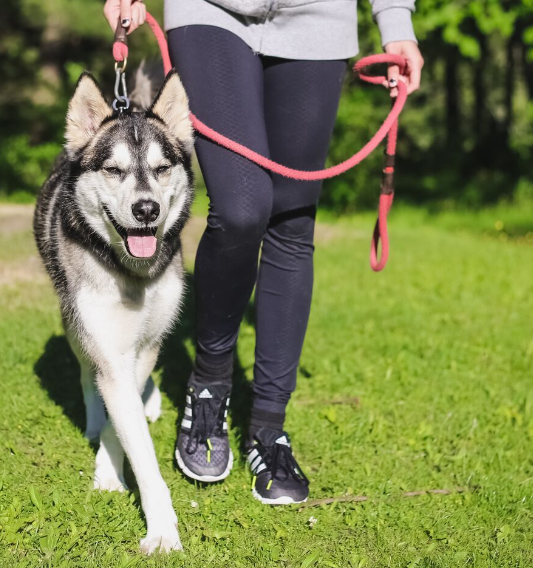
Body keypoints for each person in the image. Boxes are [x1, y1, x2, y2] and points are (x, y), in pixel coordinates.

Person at [103, 0, 423, 505]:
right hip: (212, 10)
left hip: (319, 17)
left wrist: (395, 21)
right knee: (243, 207)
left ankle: (269, 427)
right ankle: (208, 385)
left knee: (292, 222)